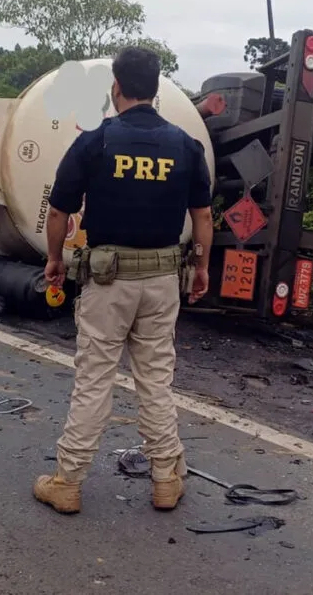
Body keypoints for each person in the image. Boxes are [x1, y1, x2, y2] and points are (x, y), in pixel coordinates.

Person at [34, 46, 214, 515]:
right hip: (162, 282)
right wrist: (202, 267)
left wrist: (54, 259)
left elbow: (58, 210)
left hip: (107, 282)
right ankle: (166, 480)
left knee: (95, 379)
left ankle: (67, 482)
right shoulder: (185, 146)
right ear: (155, 89)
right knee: (155, 380)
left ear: (116, 88)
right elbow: (203, 216)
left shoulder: (95, 142)